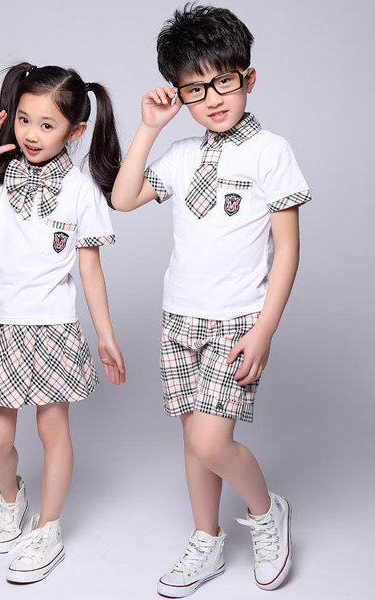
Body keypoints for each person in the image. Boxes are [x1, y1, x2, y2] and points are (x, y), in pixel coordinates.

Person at [112, 4, 311, 595]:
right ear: (180, 94)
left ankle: (266, 511)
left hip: (237, 321)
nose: (212, 99)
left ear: (249, 77)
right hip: (179, 318)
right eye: (194, 89)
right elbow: (122, 199)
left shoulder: (270, 150)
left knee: (210, 440)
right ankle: (207, 539)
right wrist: (150, 127)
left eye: (224, 81)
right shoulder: (180, 155)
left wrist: (264, 329)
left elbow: (288, 251)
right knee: (193, 440)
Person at [0, 62, 126, 584]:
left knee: (53, 432)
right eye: (24, 119)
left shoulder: (82, 188)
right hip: (0, 327)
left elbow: (90, 269)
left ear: (76, 130)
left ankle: (48, 527)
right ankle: (12, 498)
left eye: (47, 125)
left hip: (52, 329)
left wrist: (106, 336)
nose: (31, 133)